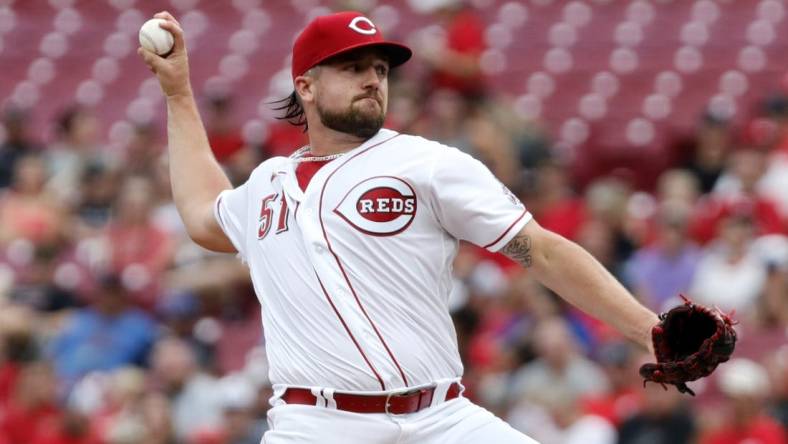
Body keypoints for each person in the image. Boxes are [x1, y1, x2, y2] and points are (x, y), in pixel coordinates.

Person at [138, 10, 659, 443]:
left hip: (442, 419)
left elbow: (540, 251)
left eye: (381, 69)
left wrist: (647, 330)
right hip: (316, 426)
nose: (372, 78)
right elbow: (204, 215)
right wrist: (179, 94)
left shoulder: (426, 163)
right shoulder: (267, 183)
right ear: (307, 86)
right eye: (352, 66)